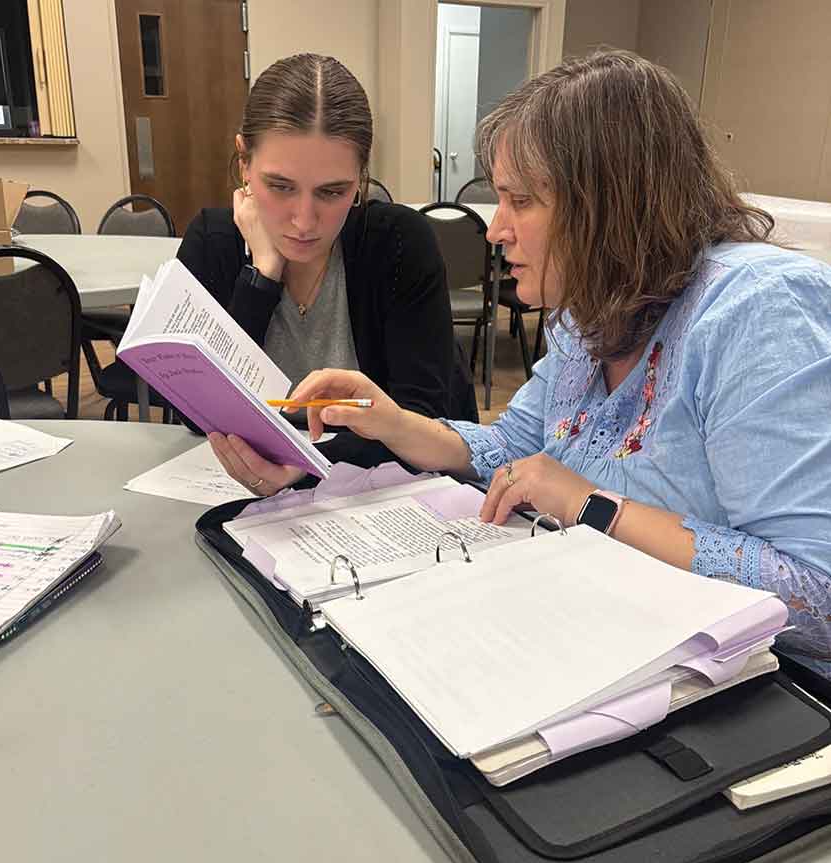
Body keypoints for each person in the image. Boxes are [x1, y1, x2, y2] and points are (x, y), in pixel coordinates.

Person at [285, 51, 831, 677]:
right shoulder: (590, 309)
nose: (496, 231)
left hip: (758, 694)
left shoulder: (758, 311)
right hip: (603, 639)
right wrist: (393, 422)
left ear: (613, 207)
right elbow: (518, 455)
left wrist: (590, 504)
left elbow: (816, 598)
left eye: (522, 201)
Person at [176, 52, 477, 487]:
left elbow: (420, 417)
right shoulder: (214, 241)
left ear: (361, 176)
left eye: (333, 192)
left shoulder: (397, 244)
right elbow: (195, 410)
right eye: (279, 187)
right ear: (244, 162)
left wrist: (301, 468)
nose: (304, 221)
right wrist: (262, 274)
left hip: (380, 499)